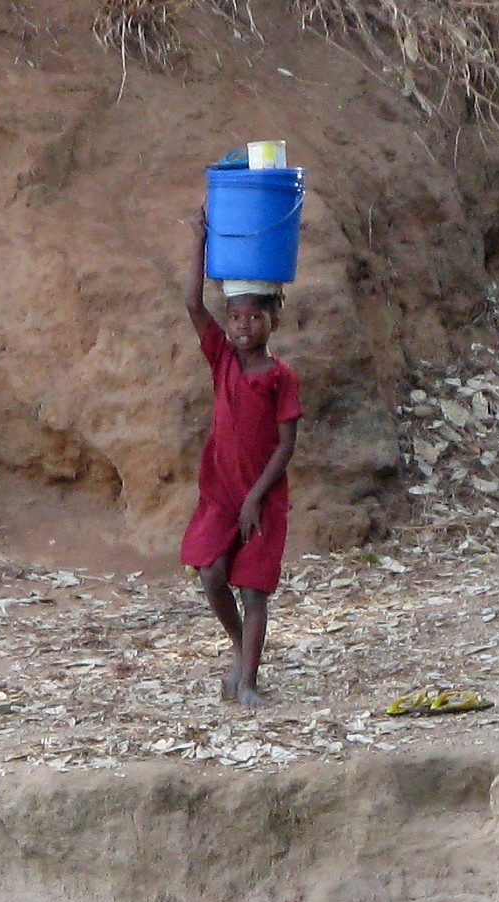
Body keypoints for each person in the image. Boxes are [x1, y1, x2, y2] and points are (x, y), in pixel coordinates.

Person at [179, 208, 301, 711]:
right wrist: (200, 241)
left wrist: (255, 498)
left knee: (253, 591)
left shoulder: (280, 377)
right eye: (235, 317)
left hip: (262, 499)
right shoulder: (223, 359)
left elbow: (286, 445)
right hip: (221, 492)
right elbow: (192, 301)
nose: (243, 326)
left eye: (254, 317)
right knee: (211, 573)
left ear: (273, 321)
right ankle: (239, 649)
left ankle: (248, 681)